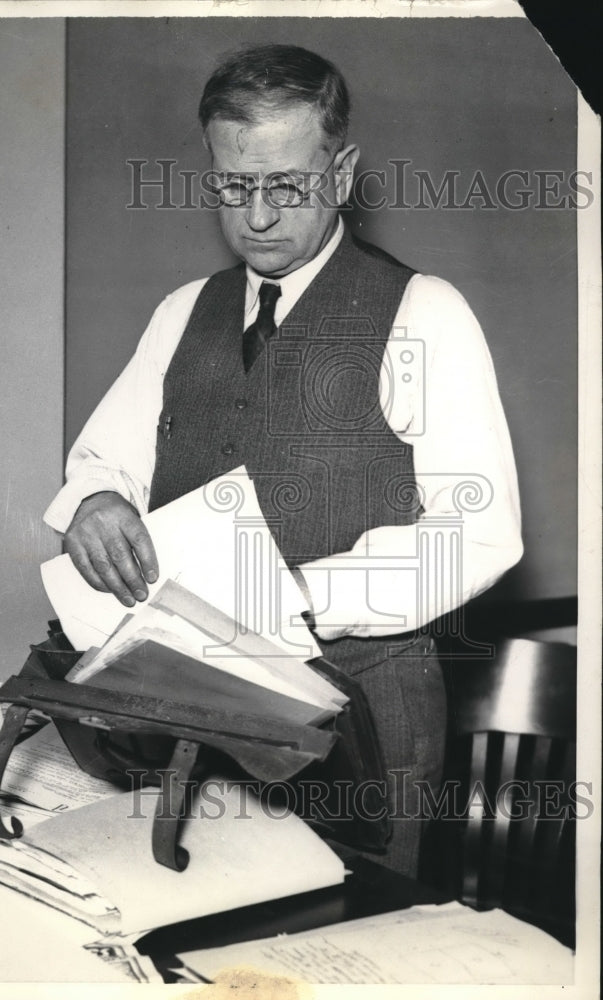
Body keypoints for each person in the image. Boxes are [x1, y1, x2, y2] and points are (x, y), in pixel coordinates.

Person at [44, 44, 523, 877]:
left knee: (342, 945)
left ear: (339, 175)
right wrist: (94, 500)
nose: (257, 217)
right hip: (196, 711)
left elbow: (480, 533)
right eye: (233, 187)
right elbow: (101, 457)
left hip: (358, 719)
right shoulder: (181, 312)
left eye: (286, 186)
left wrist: (306, 595)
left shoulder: (423, 312)